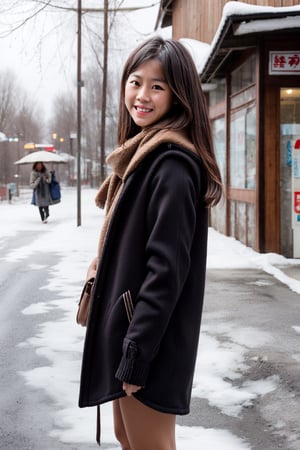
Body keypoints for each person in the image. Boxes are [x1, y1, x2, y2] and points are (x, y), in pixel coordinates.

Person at [79, 36, 223, 450]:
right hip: (129, 332)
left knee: (150, 445)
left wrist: (137, 351)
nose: (141, 96)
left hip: (145, 341)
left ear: (179, 96)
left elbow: (166, 271)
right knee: (129, 438)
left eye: (157, 86)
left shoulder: (172, 165)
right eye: (135, 82)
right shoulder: (145, 154)